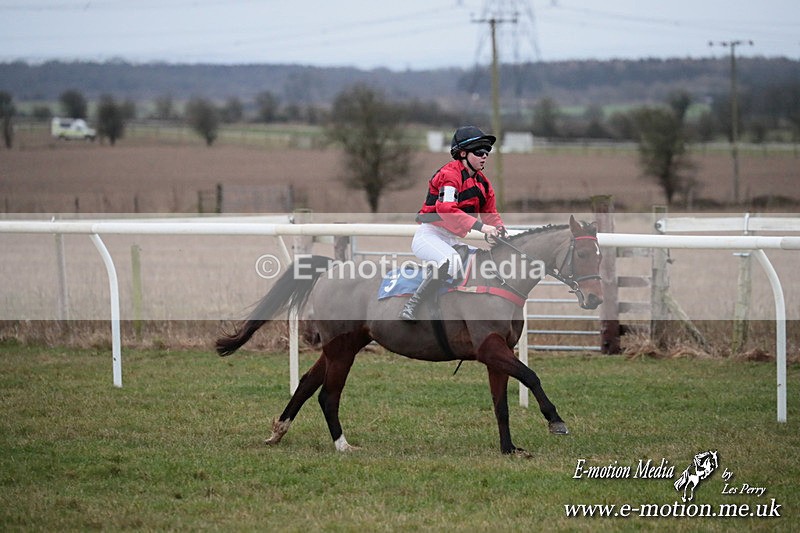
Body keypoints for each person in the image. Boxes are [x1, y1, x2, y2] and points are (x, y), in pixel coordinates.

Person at [399, 125, 507, 322]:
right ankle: (412, 305)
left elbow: (490, 214)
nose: (485, 156)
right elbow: (446, 209)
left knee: (480, 263)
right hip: (429, 235)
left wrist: (500, 231)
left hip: (450, 239)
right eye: (479, 152)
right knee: (451, 261)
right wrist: (482, 228)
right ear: (463, 154)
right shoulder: (450, 175)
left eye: (487, 152)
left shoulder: (483, 183)